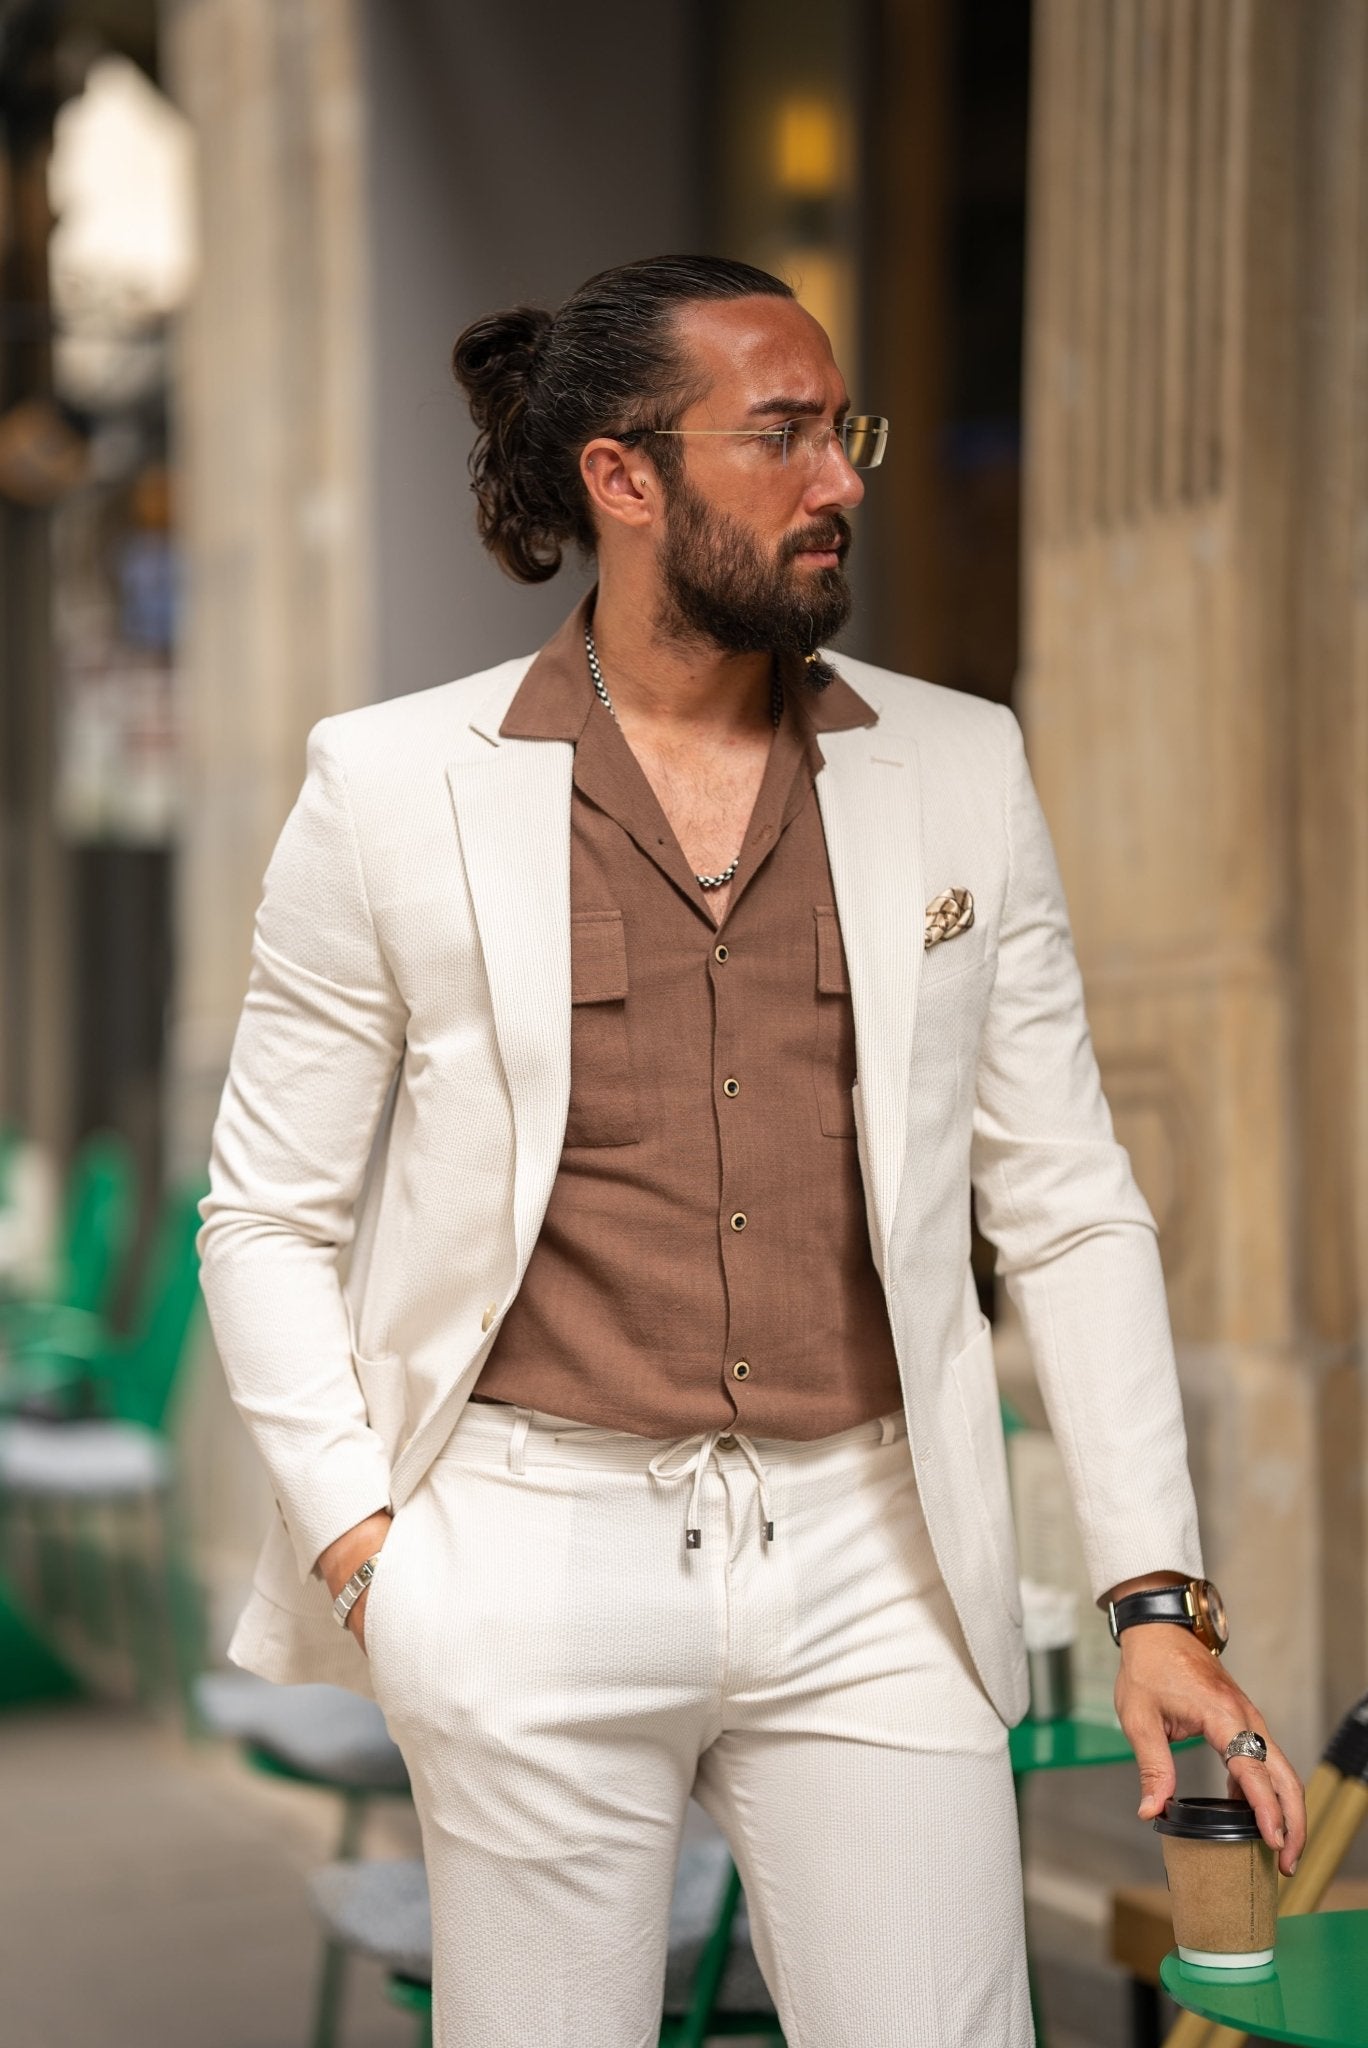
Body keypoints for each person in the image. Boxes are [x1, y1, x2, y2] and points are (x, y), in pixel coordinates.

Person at [198, 254, 1304, 2047]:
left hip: (879, 1550)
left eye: (840, 429)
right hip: (526, 1549)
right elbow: (263, 1215)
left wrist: (1155, 1600)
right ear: (623, 480)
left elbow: (1071, 1203)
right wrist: (375, 1559)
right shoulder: (393, 783)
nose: (842, 478)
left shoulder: (958, 765)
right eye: (781, 436)